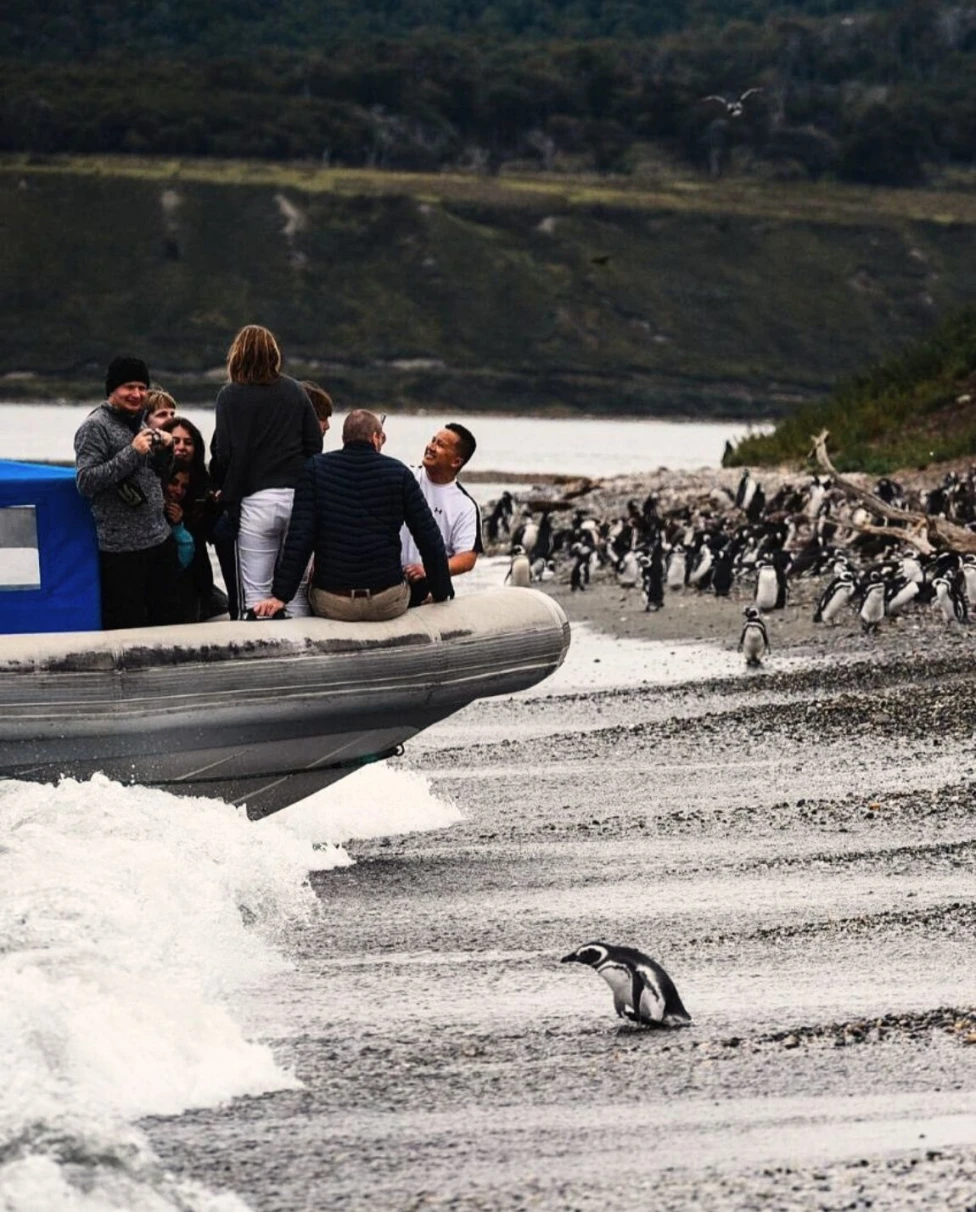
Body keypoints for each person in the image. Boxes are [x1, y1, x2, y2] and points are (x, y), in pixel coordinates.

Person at [252, 410, 452, 622]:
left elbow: (300, 539)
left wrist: (280, 596)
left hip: (332, 602)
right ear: (375, 437)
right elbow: (429, 538)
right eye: (381, 437)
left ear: (343, 438)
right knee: (416, 584)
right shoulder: (399, 473)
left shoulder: (315, 469)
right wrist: (441, 592)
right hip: (385, 602)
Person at [210, 325, 323, 617]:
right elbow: (315, 443)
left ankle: (260, 654)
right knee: (296, 592)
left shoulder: (229, 396)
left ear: (237, 355)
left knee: (256, 595)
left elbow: (222, 453)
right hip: (297, 500)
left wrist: (223, 486)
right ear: (274, 354)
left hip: (255, 502)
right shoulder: (294, 390)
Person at [74, 356, 183, 630]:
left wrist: (167, 450)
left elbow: (156, 474)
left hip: (159, 539)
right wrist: (132, 452)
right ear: (112, 389)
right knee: (127, 629)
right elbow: (86, 481)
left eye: (141, 388)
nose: (136, 395)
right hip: (121, 549)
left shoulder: (140, 423)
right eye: (128, 387)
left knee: (170, 624)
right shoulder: (94, 427)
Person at [401, 423, 482, 606]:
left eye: (440, 445)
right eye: (432, 440)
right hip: (389, 581)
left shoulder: (465, 505)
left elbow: (467, 557)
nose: (430, 447)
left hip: (425, 587)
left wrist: (430, 569)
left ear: (456, 461)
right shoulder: (405, 478)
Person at [161, 415, 228, 621]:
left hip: (195, 573)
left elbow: (211, 533)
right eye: (175, 441)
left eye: (188, 443)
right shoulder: (152, 478)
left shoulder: (204, 484)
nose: (181, 447)